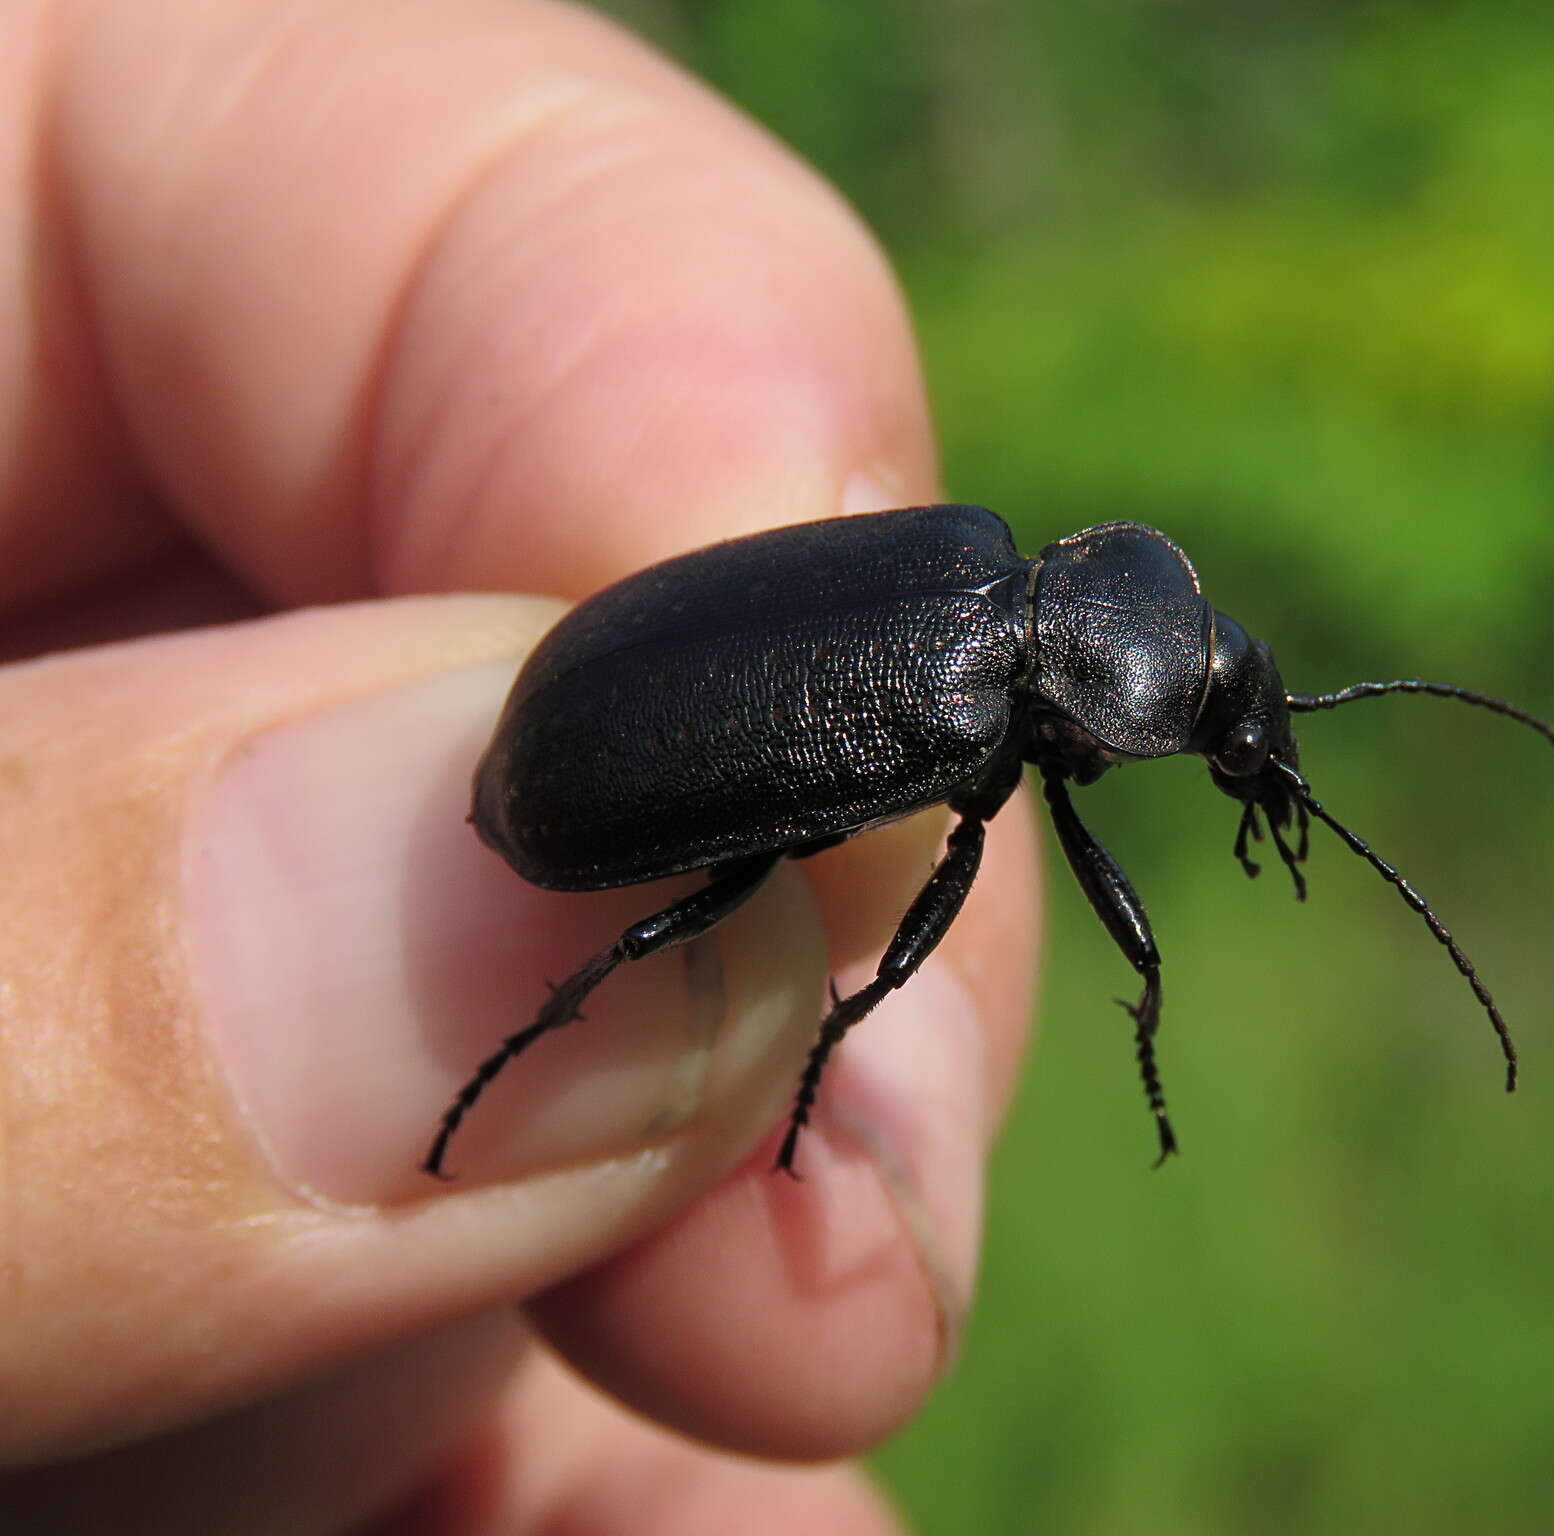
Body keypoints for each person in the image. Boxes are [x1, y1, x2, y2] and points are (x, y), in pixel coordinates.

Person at [0, 1, 1040, 1528]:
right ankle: (521, 1038)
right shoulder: (964, 709)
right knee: (688, 938)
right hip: (569, 773)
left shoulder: (969, 574)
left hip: (592, 674)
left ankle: (623, 1041)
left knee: (734, 928)